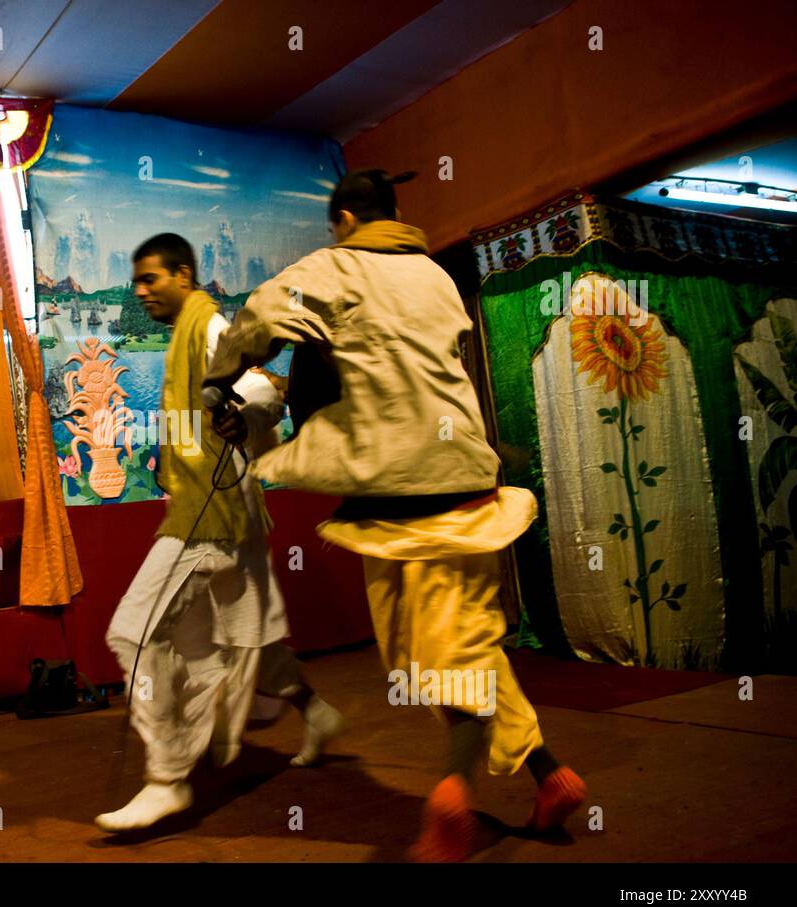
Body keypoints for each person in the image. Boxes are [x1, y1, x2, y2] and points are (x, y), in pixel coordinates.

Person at [205, 171, 586, 862]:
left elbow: (257, 319)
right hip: (455, 482)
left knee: (446, 655)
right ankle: (549, 774)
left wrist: (222, 378)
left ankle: (450, 793)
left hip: (397, 500)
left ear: (344, 219)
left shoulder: (334, 266)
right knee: (456, 646)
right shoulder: (436, 275)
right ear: (397, 214)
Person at [95, 233, 344, 834]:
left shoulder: (208, 329)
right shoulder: (186, 335)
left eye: (151, 278)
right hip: (219, 511)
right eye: (136, 280)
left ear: (184, 275)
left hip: (214, 519)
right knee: (246, 639)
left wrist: (245, 414)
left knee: (133, 632)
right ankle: (316, 711)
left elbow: (262, 386)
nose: (140, 290)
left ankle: (167, 777)